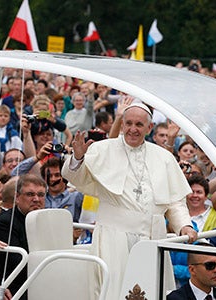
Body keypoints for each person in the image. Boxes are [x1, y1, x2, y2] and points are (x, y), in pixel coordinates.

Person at [62, 102, 197, 299]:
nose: (133, 129)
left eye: (139, 125)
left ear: (149, 128)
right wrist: (78, 158)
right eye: (129, 123)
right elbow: (76, 178)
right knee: (114, 291)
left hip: (153, 238)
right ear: (122, 124)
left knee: (151, 290)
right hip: (113, 239)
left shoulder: (163, 157)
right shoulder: (103, 149)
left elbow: (174, 201)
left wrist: (184, 225)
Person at [0, 174, 46, 300]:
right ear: (17, 198)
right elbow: (18, 264)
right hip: (7, 287)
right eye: (30, 194)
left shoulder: (45, 220)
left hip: (34, 280)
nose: (36, 199)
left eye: (41, 195)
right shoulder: (4, 223)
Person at [40, 157, 83, 222]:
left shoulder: (77, 197)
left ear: (65, 177)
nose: (53, 179)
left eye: (57, 175)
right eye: (49, 176)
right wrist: (37, 158)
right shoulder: (39, 199)